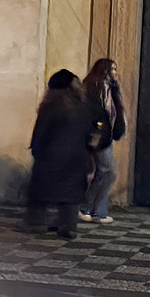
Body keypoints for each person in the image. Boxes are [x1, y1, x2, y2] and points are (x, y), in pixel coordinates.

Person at [25, 69, 95, 240]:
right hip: (76, 159)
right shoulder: (84, 107)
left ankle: (36, 223)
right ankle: (69, 226)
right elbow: (90, 134)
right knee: (70, 198)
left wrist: (36, 150)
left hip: (50, 158)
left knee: (40, 194)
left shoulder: (50, 107)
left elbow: (40, 133)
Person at [79, 57, 126, 225]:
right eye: (111, 70)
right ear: (103, 71)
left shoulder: (110, 88)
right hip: (98, 136)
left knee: (103, 172)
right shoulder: (94, 87)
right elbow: (98, 112)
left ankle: (99, 211)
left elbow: (115, 111)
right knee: (109, 172)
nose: (114, 73)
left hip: (106, 135)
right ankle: (85, 206)